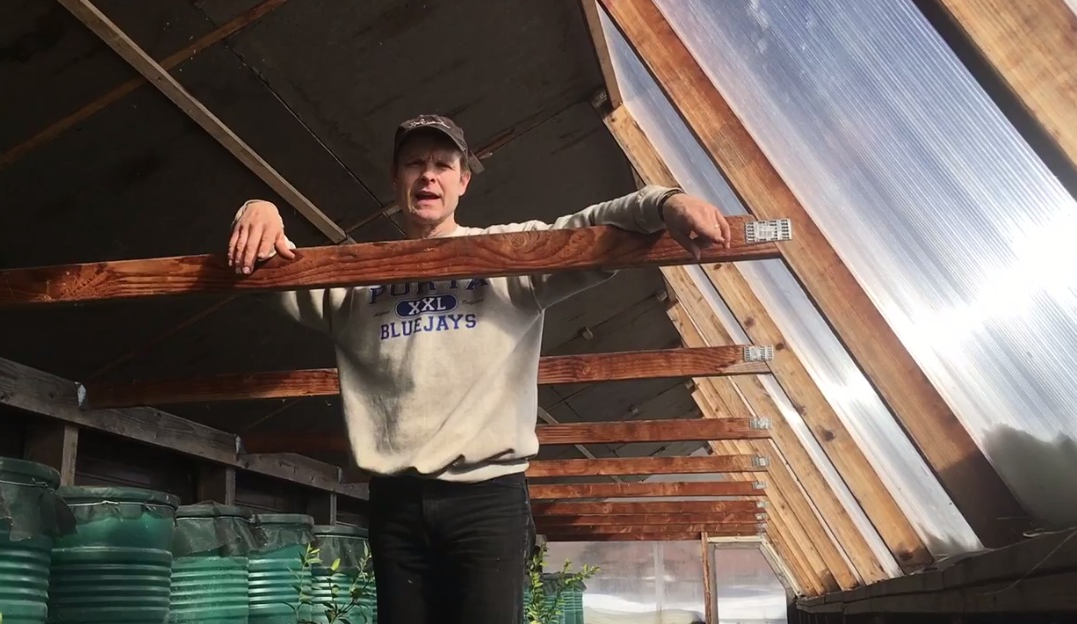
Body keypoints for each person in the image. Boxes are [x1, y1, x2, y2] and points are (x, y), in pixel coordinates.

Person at [226, 114, 730, 624]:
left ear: (463, 181)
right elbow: (262, 268)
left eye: (443, 165)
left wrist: (666, 202)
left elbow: (597, 228)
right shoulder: (357, 275)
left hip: (487, 498)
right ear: (396, 178)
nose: (428, 175)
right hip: (396, 502)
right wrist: (257, 209)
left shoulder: (508, 258)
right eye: (414, 163)